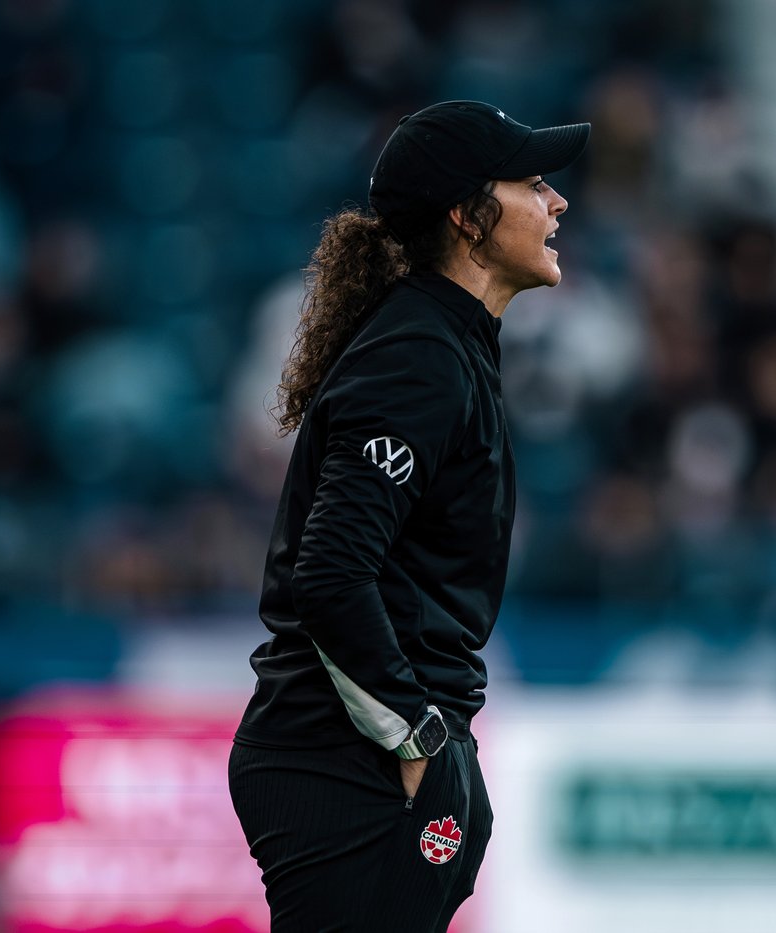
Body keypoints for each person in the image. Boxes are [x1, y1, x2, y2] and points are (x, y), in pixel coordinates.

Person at [227, 100, 589, 932]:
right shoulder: (420, 356)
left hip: (368, 747)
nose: (557, 202)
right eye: (533, 183)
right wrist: (419, 738)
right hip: (347, 754)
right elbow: (330, 573)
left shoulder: (443, 343)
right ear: (469, 216)